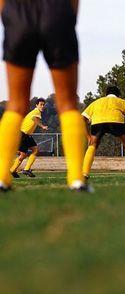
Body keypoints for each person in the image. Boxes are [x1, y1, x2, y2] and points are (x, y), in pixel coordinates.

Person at [0, 0, 89, 192]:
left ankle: (1, 177)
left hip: (18, 10)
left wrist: (9, 15)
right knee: (67, 105)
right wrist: (66, 17)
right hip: (57, 9)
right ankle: (76, 179)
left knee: (15, 104)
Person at [82, 86, 125, 179]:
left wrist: (88, 137)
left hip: (98, 122)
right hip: (116, 121)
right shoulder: (122, 101)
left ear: (105, 94)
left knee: (92, 145)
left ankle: (84, 174)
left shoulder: (96, 102)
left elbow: (82, 118)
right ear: (118, 95)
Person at [10, 98, 49, 178]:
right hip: (22, 134)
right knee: (23, 155)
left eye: (43, 105)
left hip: (27, 135)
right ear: (36, 105)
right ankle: (13, 170)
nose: (42, 106)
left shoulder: (36, 112)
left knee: (35, 150)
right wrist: (42, 126)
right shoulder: (36, 111)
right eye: (41, 104)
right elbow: (34, 119)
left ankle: (25, 169)